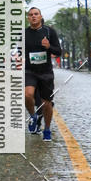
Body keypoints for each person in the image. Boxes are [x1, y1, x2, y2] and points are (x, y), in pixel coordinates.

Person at [25, 7, 61, 141]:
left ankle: (46, 129)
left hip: (46, 72)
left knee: (47, 103)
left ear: (40, 16)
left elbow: (58, 52)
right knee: (27, 94)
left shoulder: (49, 32)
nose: (33, 16)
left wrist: (48, 47)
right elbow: (17, 51)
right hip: (30, 71)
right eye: (31, 15)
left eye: (36, 14)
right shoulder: (24, 34)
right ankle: (33, 116)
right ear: (28, 18)